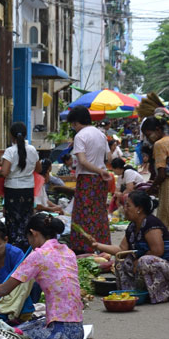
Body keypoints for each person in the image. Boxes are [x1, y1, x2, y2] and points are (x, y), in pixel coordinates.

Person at [0, 213, 83, 339]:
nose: (30, 243)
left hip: (60, 333)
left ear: (34, 233)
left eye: (29, 238)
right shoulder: (68, 252)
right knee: (31, 326)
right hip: (77, 334)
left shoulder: (38, 255)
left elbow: (4, 289)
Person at [92, 190, 169, 304]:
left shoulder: (150, 223)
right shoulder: (132, 226)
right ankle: (130, 293)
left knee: (145, 260)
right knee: (121, 259)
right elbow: (122, 250)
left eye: (128, 205)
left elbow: (157, 251)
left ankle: (161, 295)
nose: (124, 208)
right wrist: (98, 245)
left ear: (139, 209)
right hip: (147, 264)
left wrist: (137, 261)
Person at [66, 105, 111, 254]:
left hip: (87, 179)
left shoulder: (80, 136)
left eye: (73, 124)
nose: (73, 127)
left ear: (76, 122)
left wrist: (97, 170)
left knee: (83, 215)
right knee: (99, 213)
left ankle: (84, 248)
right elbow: (108, 157)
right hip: (100, 179)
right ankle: (102, 246)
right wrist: (101, 170)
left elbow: (83, 161)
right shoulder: (101, 134)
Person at [0, 122, 41, 249]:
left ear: (11, 136)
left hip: (12, 190)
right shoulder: (32, 150)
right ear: (25, 134)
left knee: (12, 220)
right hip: (28, 189)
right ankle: (27, 246)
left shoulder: (10, 151)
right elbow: (38, 169)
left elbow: (5, 172)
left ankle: (14, 245)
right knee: (26, 218)